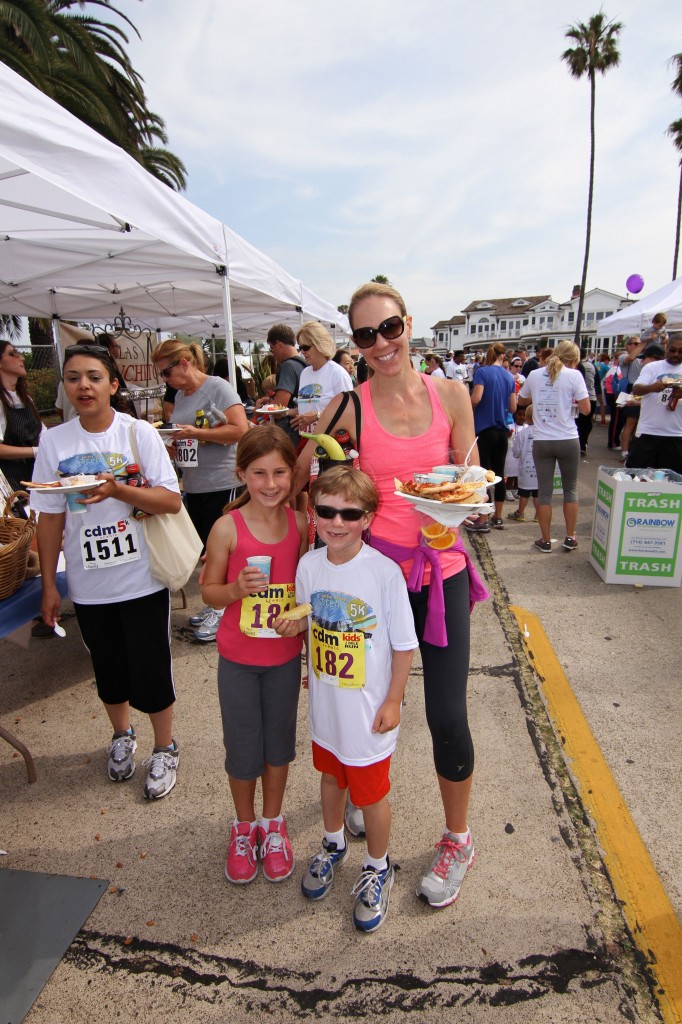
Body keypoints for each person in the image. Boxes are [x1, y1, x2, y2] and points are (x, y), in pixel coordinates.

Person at [294, 281, 489, 911]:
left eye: (390, 328)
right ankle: (357, 791)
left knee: (446, 715)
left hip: (441, 573)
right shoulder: (346, 407)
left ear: (409, 324)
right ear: (354, 342)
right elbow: (304, 479)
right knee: (359, 701)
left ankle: (457, 839)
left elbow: (473, 486)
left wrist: (464, 514)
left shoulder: (452, 394)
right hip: (374, 581)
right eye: (365, 335)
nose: (381, 344)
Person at [32, 343, 183, 799]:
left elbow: (171, 500)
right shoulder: (54, 441)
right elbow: (50, 515)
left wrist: (119, 490)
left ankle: (164, 746)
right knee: (109, 668)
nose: (83, 385)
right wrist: (48, 586)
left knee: (152, 668)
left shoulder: (138, 434)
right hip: (89, 582)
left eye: (94, 376)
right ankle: (122, 735)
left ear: (113, 385)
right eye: (74, 377)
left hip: (141, 576)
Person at [281, 465, 417, 931]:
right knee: (330, 777)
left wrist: (393, 701)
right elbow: (308, 620)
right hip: (327, 707)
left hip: (367, 714)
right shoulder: (308, 566)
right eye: (326, 511)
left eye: (349, 513)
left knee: (372, 794)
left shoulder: (383, 573)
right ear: (313, 514)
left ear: (368, 519)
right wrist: (301, 645)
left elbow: (403, 646)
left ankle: (378, 866)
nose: (336, 522)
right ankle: (333, 842)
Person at [200, 426, 308, 884]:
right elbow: (207, 593)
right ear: (241, 473)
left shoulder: (302, 525)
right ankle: (243, 826)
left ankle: (273, 823)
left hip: (284, 659)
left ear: (292, 474)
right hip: (240, 662)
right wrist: (234, 590)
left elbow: (306, 590)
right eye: (259, 473)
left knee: (278, 746)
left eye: (280, 472)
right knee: (243, 746)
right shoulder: (227, 527)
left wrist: (301, 620)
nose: (269, 483)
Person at [151, 338, 249, 642]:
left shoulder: (217, 387)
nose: (165, 380)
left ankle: (224, 611)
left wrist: (197, 433)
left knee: (225, 550)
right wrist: (173, 443)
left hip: (224, 482)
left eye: (165, 373)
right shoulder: (181, 396)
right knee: (209, 549)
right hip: (194, 483)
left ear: (184, 363)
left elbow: (240, 429)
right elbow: (187, 438)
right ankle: (218, 604)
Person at [518, 341, 590, 552]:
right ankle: (570, 536)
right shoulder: (574, 375)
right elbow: (586, 410)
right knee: (570, 489)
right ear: (574, 359)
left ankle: (546, 539)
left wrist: (541, 397)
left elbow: (522, 401)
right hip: (568, 438)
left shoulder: (534, 375)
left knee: (545, 492)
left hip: (542, 440)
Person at [468, 342, 516, 532]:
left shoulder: (482, 372)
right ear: (503, 357)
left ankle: (483, 517)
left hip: (484, 429)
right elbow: (513, 407)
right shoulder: (508, 376)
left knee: (483, 474)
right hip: (502, 430)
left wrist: (470, 405)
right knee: (498, 473)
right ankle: (498, 517)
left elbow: (476, 398)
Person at [628, 333, 682, 473]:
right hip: (648, 431)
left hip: (676, 434)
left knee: (673, 482)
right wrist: (653, 387)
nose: (676, 354)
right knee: (637, 477)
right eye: (672, 350)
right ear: (666, 348)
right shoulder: (652, 367)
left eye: (680, 351)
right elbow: (636, 389)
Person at [290, 322, 353, 432]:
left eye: (306, 347)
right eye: (300, 348)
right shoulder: (305, 373)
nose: (302, 352)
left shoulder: (337, 373)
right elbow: (307, 406)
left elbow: (349, 411)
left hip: (329, 440)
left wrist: (318, 415)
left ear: (319, 344)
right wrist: (283, 412)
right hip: (307, 439)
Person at [0, 341, 46, 493]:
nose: (22, 358)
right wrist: (33, 451)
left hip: (34, 479)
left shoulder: (26, 399)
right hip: (10, 485)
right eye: (12, 353)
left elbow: (43, 433)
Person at [256, 324, 306, 450]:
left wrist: (266, 406)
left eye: (272, 349)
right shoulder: (304, 364)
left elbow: (280, 404)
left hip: (290, 430)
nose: (274, 354)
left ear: (278, 344)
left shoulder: (288, 366)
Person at [507, 405, 539, 523]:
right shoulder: (543, 432)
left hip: (526, 468)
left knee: (524, 493)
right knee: (537, 493)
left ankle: (520, 513)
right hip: (539, 468)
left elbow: (516, 452)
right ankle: (538, 514)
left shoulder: (523, 433)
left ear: (527, 417)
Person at [617, 337, 647, 463]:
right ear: (628, 346)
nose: (638, 346)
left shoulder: (644, 358)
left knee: (640, 423)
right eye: (635, 344)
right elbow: (630, 358)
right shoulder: (624, 357)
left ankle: (634, 450)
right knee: (630, 423)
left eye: (638, 344)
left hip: (645, 390)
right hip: (632, 389)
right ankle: (625, 452)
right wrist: (645, 342)